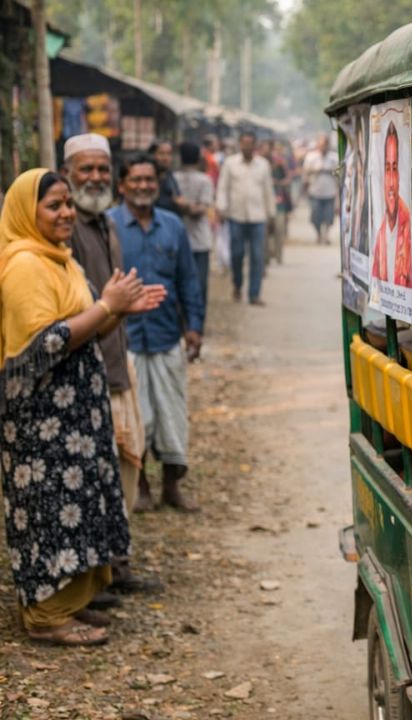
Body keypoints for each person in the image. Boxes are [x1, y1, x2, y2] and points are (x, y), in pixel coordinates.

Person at [0, 168, 163, 645]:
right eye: (54, 205)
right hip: (40, 423)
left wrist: (115, 311)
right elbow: (46, 343)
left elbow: (85, 331)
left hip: (75, 419)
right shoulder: (24, 265)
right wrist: (106, 305)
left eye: (68, 203)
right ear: (27, 214)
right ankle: (47, 617)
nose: (67, 212)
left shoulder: (61, 260)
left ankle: (70, 601)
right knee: (50, 512)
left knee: (76, 507)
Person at [63, 133, 165, 595]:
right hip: (87, 369)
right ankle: (97, 574)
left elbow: (111, 299)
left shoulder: (105, 224)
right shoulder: (65, 231)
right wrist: (113, 307)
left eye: (102, 169)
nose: (95, 177)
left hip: (118, 361)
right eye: (86, 169)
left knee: (125, 467)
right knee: (97, 475)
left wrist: (127, 306)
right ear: (68, 173)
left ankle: (116, 566)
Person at [108, 154, 206, 513]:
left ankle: (171, 486)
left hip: (167, 336)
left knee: (172, 414)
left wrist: (194, 326)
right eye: (135, 179)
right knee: (138, 418)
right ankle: (143, 487)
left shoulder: (172, 226)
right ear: (122, 185)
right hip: (125, 340)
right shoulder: (108, 226)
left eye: (149, 179)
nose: (143, 186)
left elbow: (188, 280)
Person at [215, 130, 274, 305]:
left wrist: (270, 215)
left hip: (258, 217)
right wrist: (221, 208)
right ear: (240, 145)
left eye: (250, 143)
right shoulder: (230, 164)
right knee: (237, 254)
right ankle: (237, 285)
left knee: (257, 256)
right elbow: (222, 188)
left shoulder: (263, 165)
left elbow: (268, 191)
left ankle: (254, 294)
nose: (247, 147)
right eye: (244, 143)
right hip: (236, 216)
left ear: (255, 145)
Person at [172, 142, 215, 306]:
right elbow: (203, 208)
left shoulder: (173, 179)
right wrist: (192, 207)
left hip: (178, 240)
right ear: (198, 159)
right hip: (199, 240)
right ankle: (197, 324)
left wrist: (181, 205)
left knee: (179, 283)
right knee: (199, 285)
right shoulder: (205, 180)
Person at [371, 123, 412, 287]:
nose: (391, 183)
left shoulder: (407, 228)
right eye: (387, 169)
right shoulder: (380, 234)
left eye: (395, 169)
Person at [302, 134, 339, 245]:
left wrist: (330, 171)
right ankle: (318, 234)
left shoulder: (334, 158)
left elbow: (339, 173)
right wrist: (314, 170)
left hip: (330, 191)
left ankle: (326, 235)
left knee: (329, 216)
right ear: (318, 145)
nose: (323, 147)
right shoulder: (310, 157)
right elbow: (305, 173)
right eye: (321, 145)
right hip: (315, 192)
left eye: (325, 145)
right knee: (315, 216)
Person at [267, 139, 293, 263]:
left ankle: (278, 255)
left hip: (280, 202)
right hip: (266, 204)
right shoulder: (263, 165)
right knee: (267, 232)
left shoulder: (282, 163)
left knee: (279, 229)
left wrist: (279, 183)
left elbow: (288, 179)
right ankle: (267, 255)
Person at [148, 140, 187, 218]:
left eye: (169, 154)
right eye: (161, 154)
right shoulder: (148, 177)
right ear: (153, 155)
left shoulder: (169, 175)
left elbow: (178, 198)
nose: (165, 158)